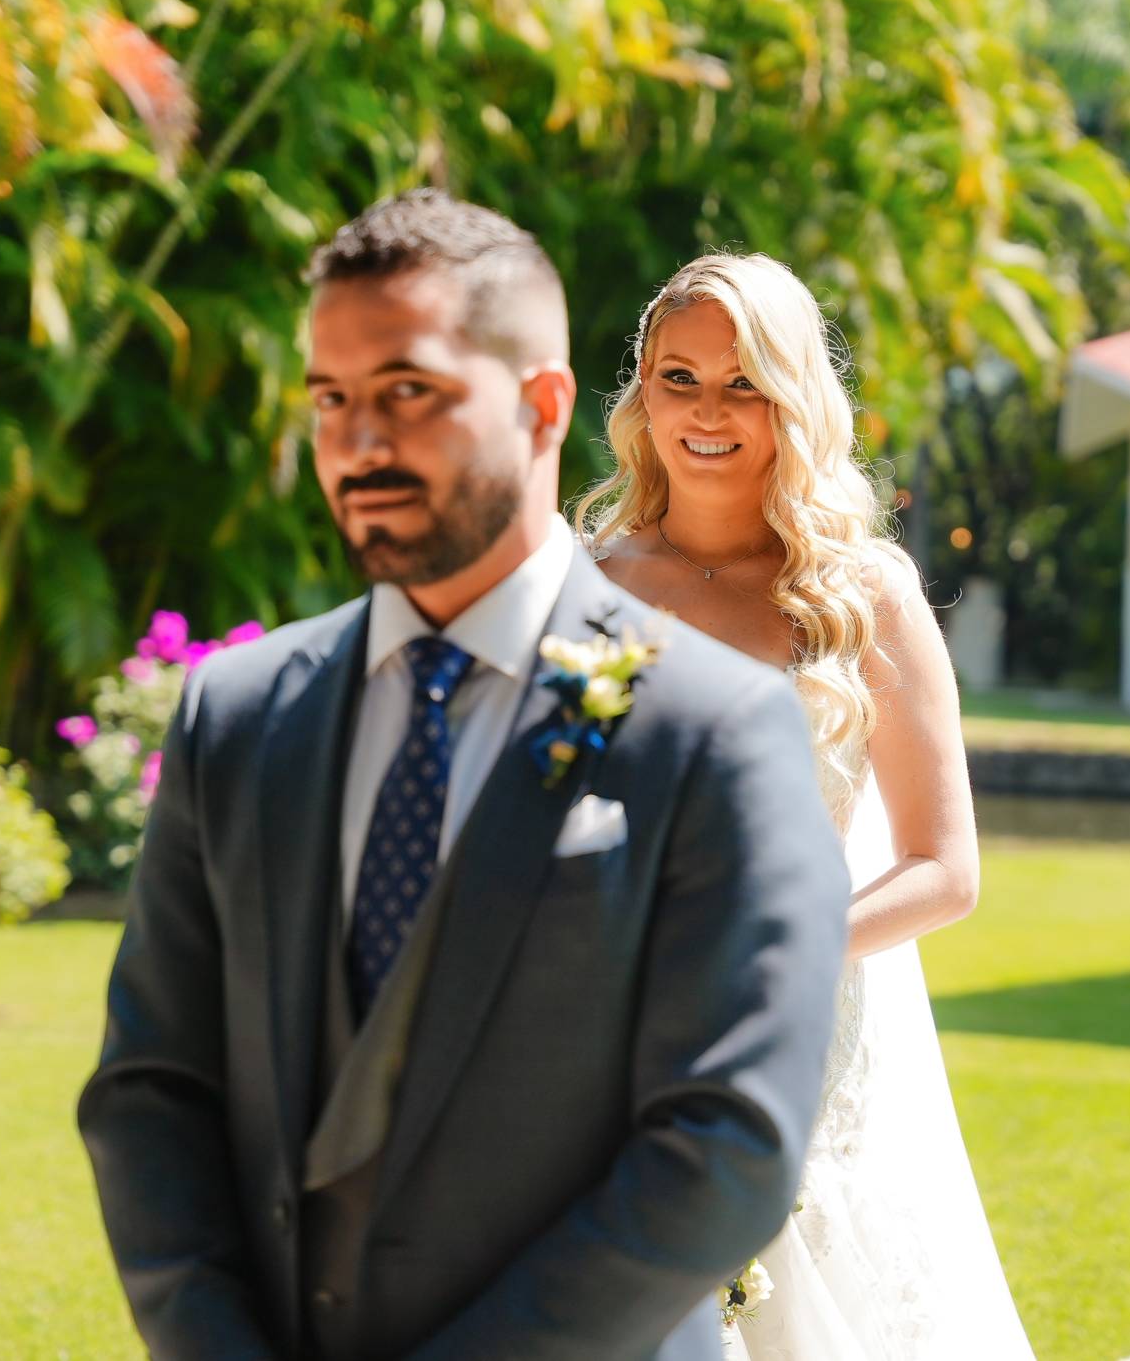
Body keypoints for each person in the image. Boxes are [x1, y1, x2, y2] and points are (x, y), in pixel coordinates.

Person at [76, 190, 853, 1360]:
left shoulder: (716, 730)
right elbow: (151, 1091)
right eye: (331, 400)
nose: (358, 443)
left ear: (541, 406)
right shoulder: (236, 715)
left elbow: (725, 1146)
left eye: (408, 393)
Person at [581, 251, 1035, 1359]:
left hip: (794, 1027)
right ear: (642, 393)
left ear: (792, 396)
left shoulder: (862, 595)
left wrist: (761, 952)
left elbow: (945, 870)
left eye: (742, 383)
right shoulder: (585, 584)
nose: (706, 411)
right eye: (679, 377)